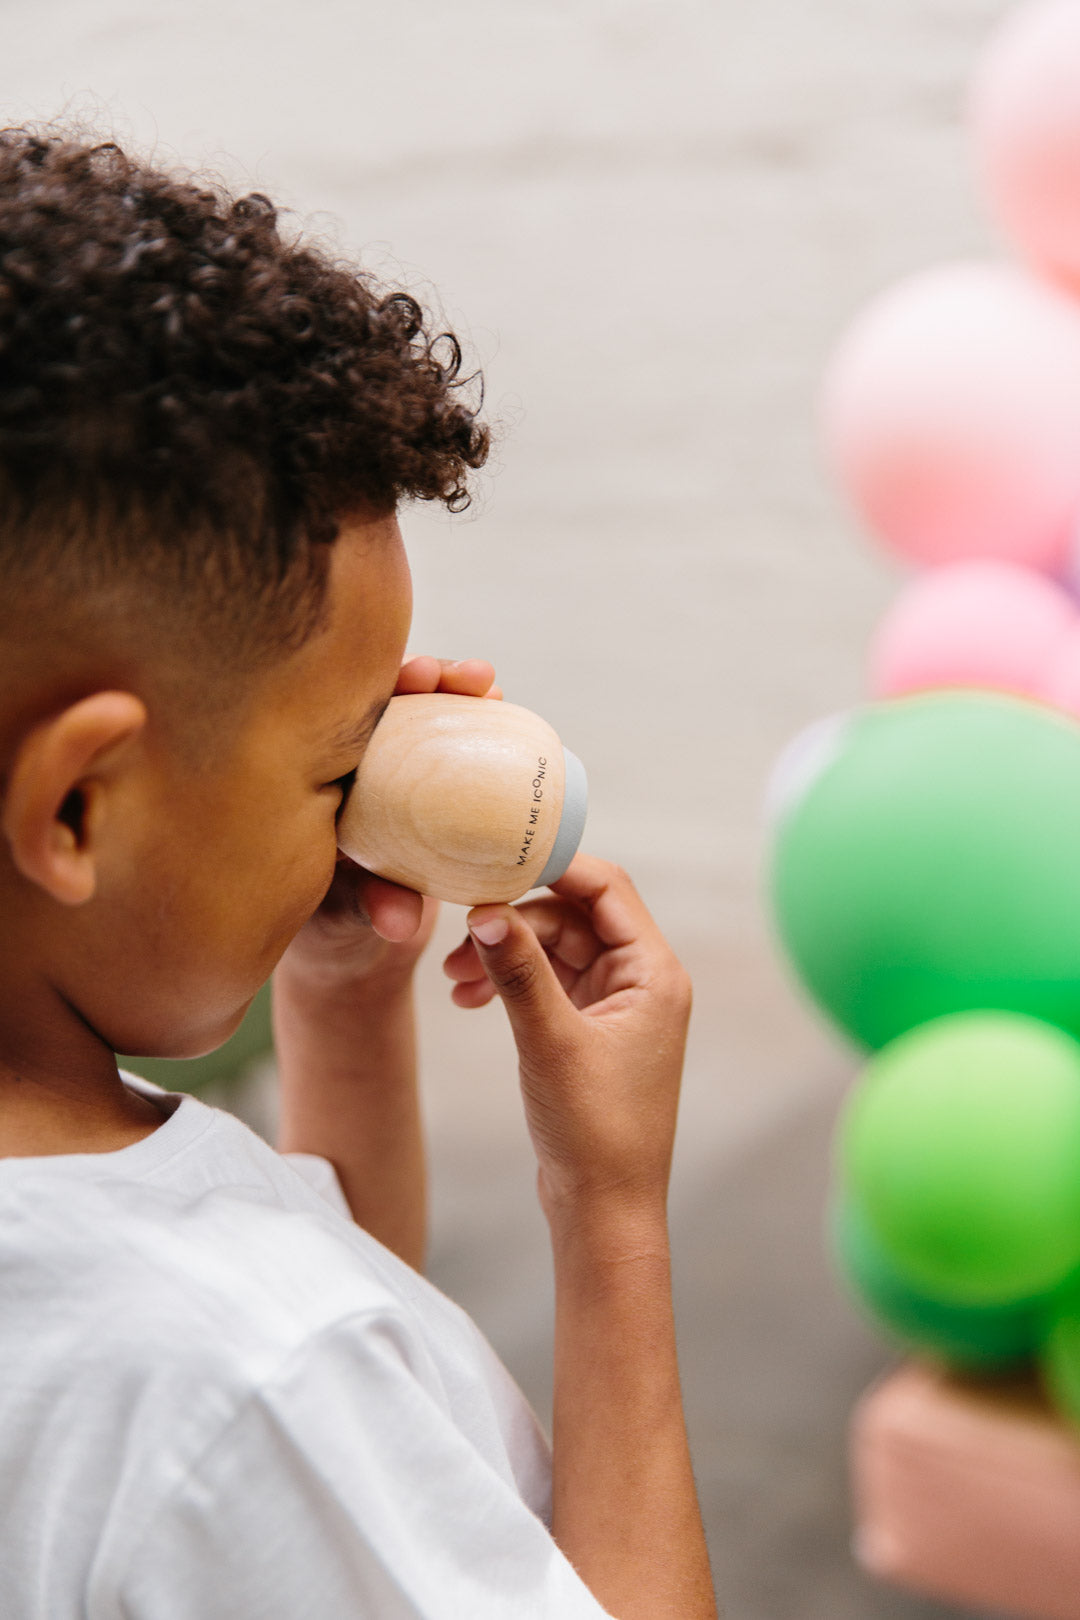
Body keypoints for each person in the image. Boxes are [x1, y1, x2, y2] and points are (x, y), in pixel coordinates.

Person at [0, 127, 717, 1620]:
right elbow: (293, 1353)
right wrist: (609, 1205)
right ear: (74, 810)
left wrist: (338, 990)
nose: (353, 820)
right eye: (339, 769)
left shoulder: (116, 1254)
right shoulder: (245, 1377)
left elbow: (317, 1263)